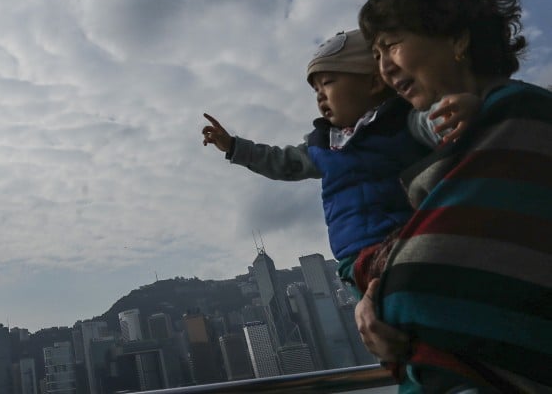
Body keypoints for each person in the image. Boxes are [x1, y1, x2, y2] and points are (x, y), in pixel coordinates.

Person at [354, 0, 552, 392]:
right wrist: (372, 299)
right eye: (376, 54)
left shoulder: (526, 119)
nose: (383, 67)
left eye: (392, 44)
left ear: (457, 39)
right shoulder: (452, 148)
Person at [201, 29, 476, 295]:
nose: (320, 94)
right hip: (352, 259)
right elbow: (281, 162)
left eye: (329, 82)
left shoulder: (400, 123)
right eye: (316, 89)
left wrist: (458, 109)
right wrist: (235, 147)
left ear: (373, 82)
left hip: (406, 240)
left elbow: (436, 122)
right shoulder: (323, 145)